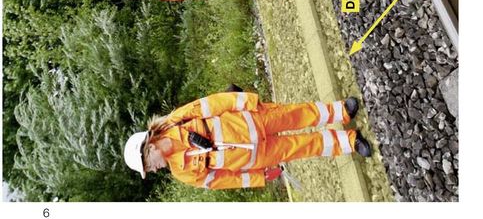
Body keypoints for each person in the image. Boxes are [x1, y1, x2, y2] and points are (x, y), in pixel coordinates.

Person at [123, 91, 371, 190]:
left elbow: (214, 103)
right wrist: (258, 177)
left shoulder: (177, 120)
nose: (153, 169)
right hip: (257, 157)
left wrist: (246, 102)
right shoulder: (182, 173)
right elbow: (220, 181)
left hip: (253, 121)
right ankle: (349, 141)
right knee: (304, 147)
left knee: (298, 115)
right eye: (149, 170)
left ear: (150, 147)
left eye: (148, 165)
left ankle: (341, 111)